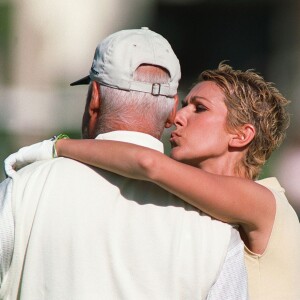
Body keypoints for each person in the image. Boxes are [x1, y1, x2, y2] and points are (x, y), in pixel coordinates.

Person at [6, 63, 300, 299]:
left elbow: (148, 163)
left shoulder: (265, 202)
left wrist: (56, 147)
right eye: (184, 104)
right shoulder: (207, 211)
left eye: (199, 108)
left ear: (241, 135)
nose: (177, 117)